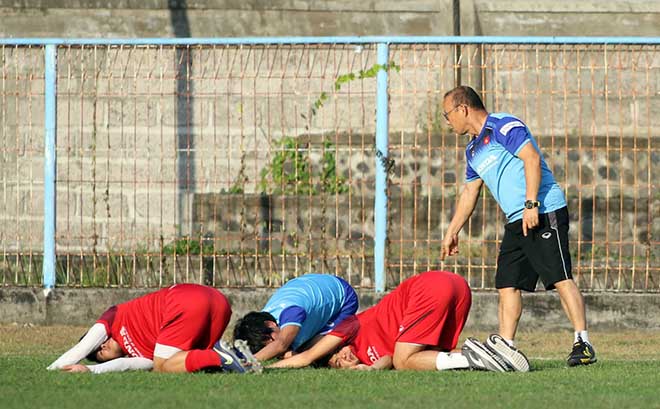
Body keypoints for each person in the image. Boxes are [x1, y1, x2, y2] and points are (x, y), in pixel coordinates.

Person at [439, 85, 596, 367]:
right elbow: (469, 192)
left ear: (463, 109)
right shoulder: (473, 149)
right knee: (507, 284)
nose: (447, 122)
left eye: (447, 115)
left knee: (559, 277)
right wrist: (452, 230)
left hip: (543, 209)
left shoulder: (503, 125)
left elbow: (531, 158)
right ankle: (507, 348)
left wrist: (531, 203)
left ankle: (583, 343)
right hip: (516, 220)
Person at [269, 270, 526, 372]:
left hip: (430, 287)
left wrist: (259, 366)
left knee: (407, 362)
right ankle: (495, 354)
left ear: (336, 344)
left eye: (338, 354)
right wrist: (369, 370)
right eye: (338, 365)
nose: (343, 359)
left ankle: (474, 359)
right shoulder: (368, 358)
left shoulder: (349, 327)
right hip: (456, 287)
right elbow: (388, 360)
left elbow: (307, 357)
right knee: (435, 356)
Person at [47, 283, 260, 374]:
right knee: (174, 363)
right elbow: (124, 365)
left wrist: (54, 369)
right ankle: (239, 358)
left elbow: (83, 346)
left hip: (186, 300)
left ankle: (219, 356)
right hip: (217, 304)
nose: (103, 344)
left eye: (102, 341)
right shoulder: (145, 357)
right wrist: (91, 370)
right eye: (100, 352)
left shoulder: (113, 317)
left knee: (163, 367)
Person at [233, 274, 358, 361]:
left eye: (270, 341)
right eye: (264, 346)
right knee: (291, 350)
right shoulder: (261, 321)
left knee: (316, 351)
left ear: (270, 324)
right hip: (312, 284)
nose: (270, 346)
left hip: (344, 298)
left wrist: (250, 362)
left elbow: (281, 344)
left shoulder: (291, 313)